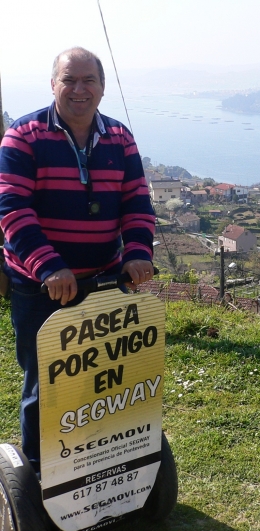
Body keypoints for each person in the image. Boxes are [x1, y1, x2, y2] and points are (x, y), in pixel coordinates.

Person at [0, 47, 156, 473]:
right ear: (53, 85)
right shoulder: (23, 136)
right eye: (69, 79)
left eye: (88, 80)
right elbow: (13, 210)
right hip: (40, 286)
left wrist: (139, 255)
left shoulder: (120, 138)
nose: (79, 89)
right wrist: (49, 266)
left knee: (105, 378)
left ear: (102, 88)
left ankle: (96, 465)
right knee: (45, 383)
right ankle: (39, 475)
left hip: (105, 283)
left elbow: (137, 205)